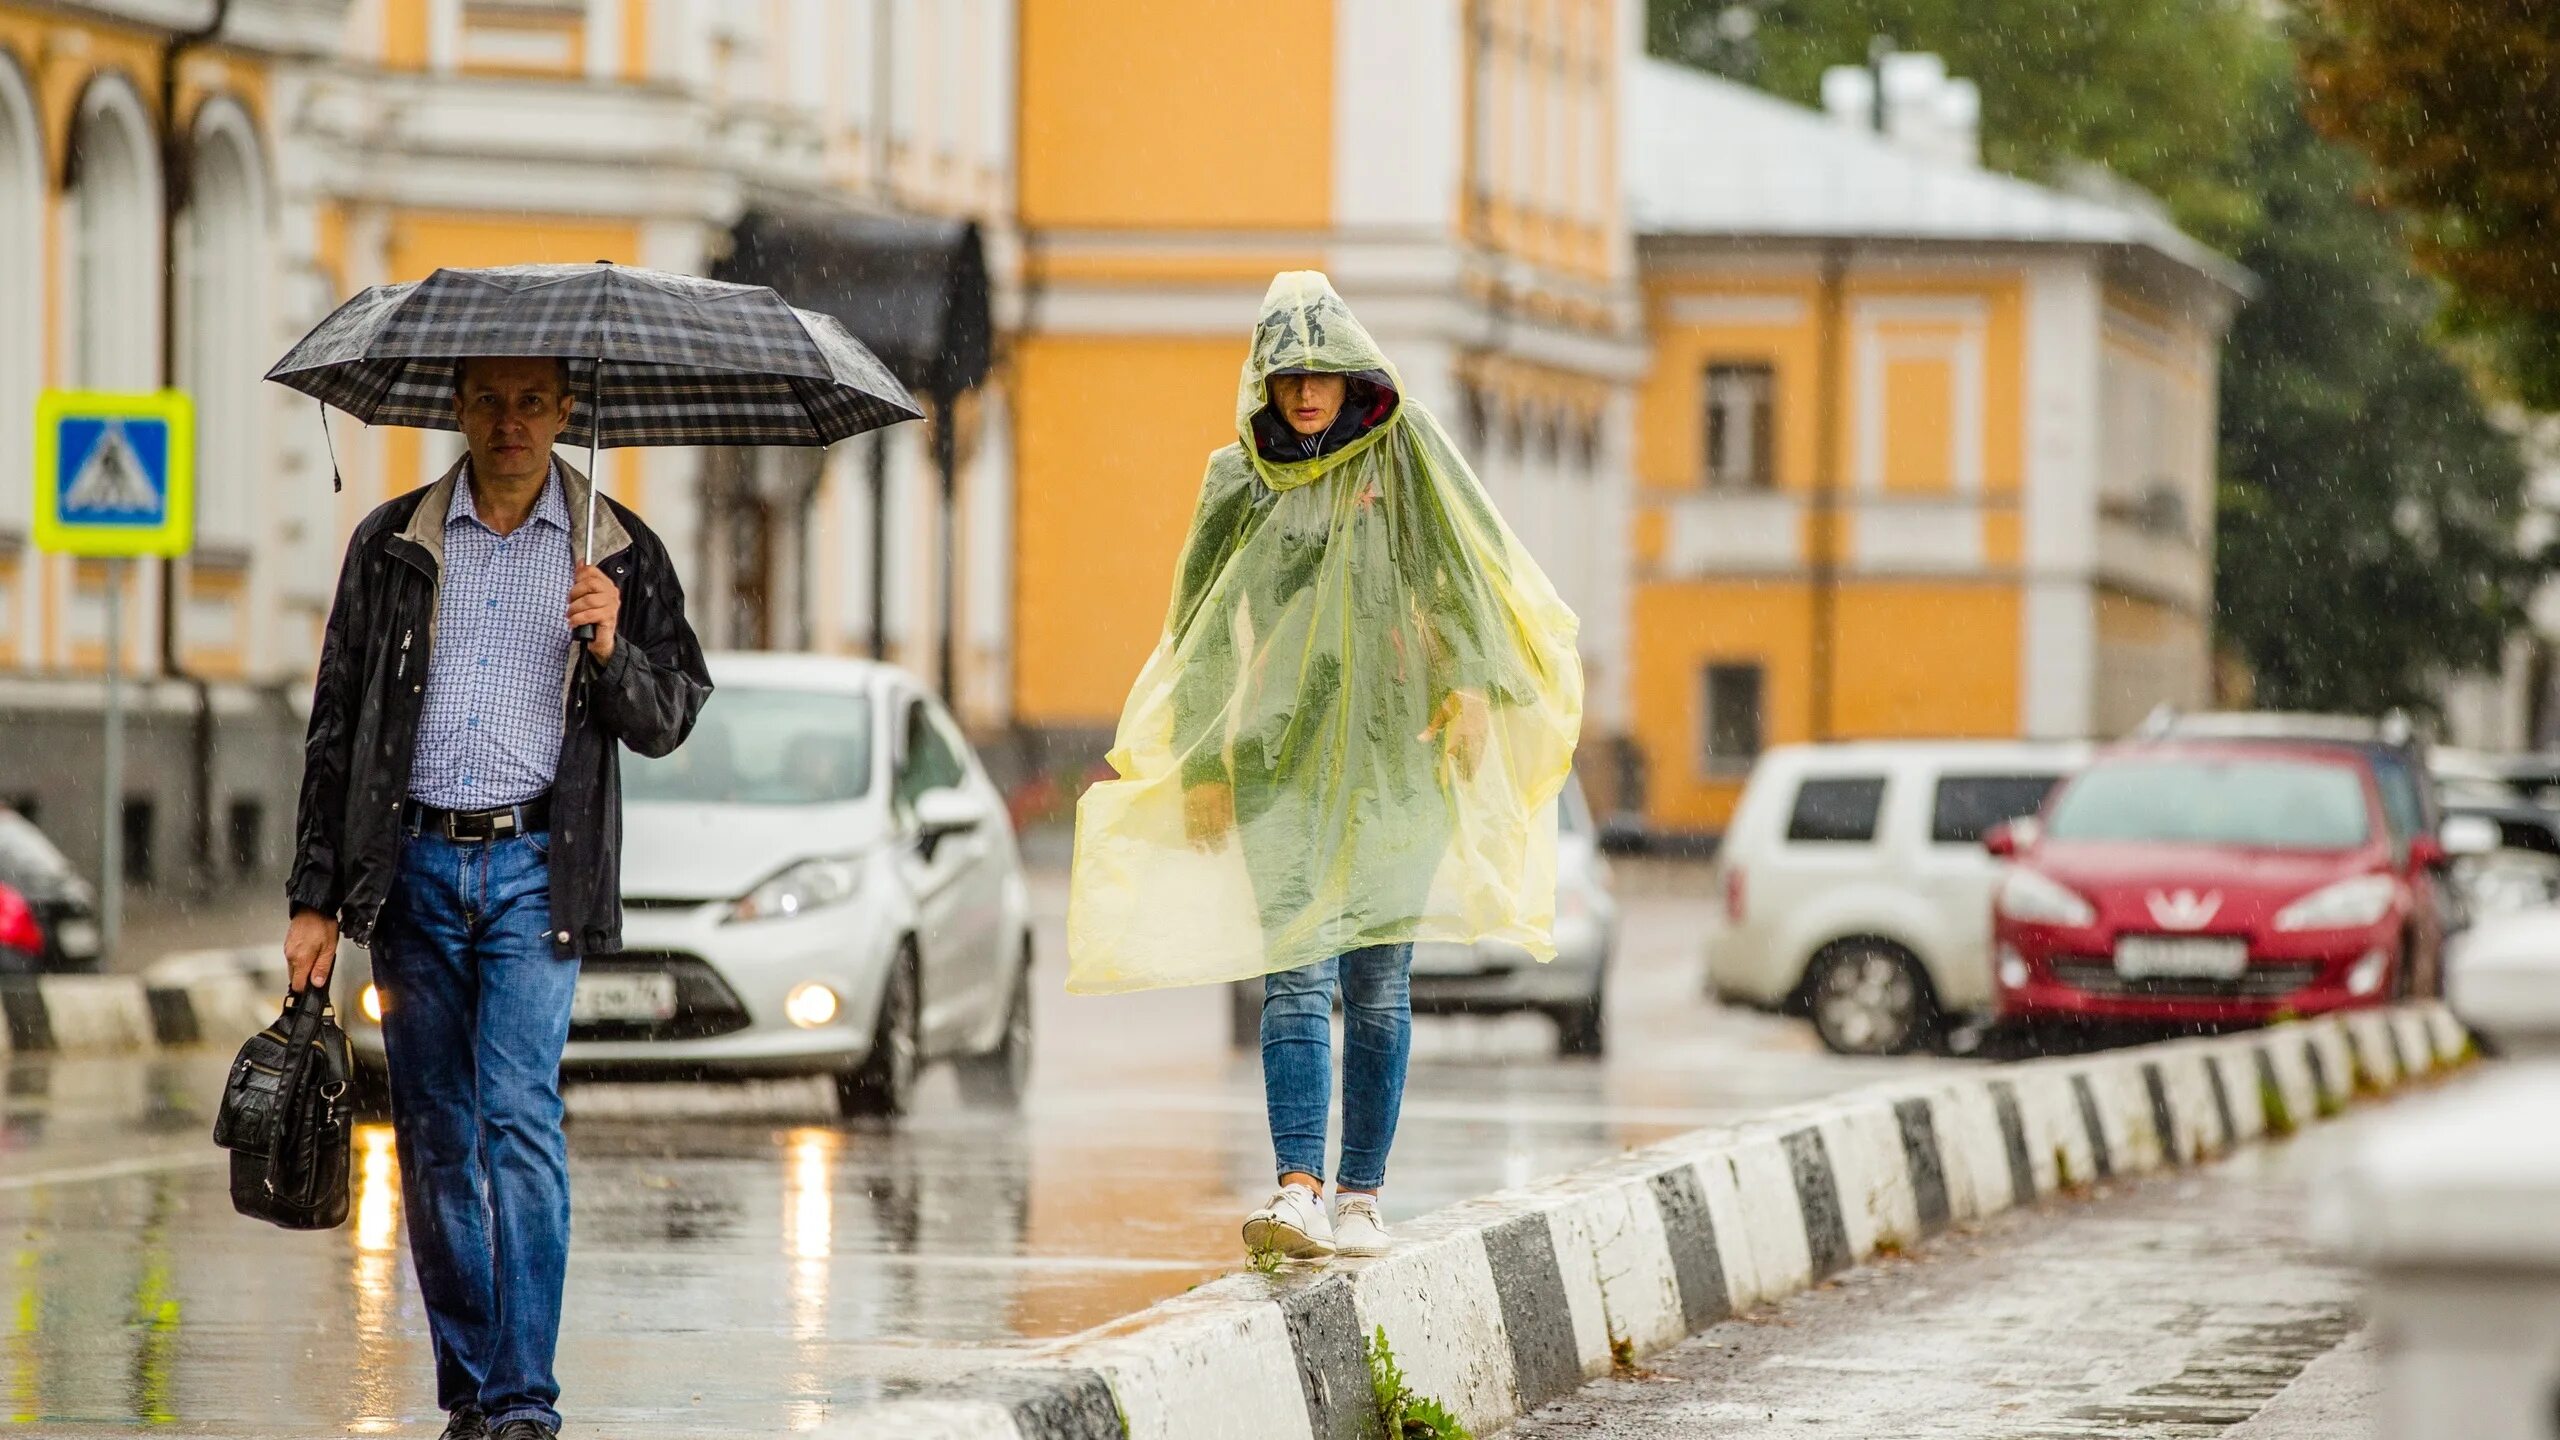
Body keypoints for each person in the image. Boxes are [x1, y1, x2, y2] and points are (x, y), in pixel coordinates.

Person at [1065, 273, 1583, 1261]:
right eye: (1289, 374)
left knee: (1378, 984)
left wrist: (1470, 683)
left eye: (1324, 374)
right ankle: (1297, 1186)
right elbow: (1202, 631)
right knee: (1294, 979)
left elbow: (1465, 574)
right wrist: (1208, 760)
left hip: (1397, 762)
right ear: (1264, 377)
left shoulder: (1407, 455)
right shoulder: (1238, 480)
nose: (1306, 392)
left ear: (1357, 378)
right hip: (1279, 761)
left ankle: (1361, 1196)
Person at [282, 355, 710, 1440]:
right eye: (488, 400)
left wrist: (612, 647)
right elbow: (337, 722)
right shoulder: (391, 543)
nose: (510, 422)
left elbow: (670, 717)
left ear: (567, 411)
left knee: (518, 1120)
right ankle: (471, 1385)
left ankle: (524, 1398)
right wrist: (314, 896)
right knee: (431, 1134)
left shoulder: (616, 549)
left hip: (533, 872)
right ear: (457, 409)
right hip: (413, 868)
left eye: (531, 402)